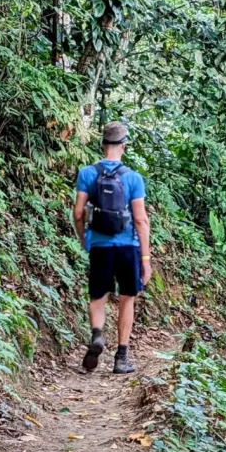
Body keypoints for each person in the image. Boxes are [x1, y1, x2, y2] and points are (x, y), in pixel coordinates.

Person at [73, 120, 151, 374]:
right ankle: (121, 357)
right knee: (127, 299)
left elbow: (77, 212)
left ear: (102, 144)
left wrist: (85, 238)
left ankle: (97, 335)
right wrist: (146, 258)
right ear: (124, 146)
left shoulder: (87, 173)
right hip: (128, 246)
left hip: (100, 245)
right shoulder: (133, 178)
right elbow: (140, 219)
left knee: (98, 296)